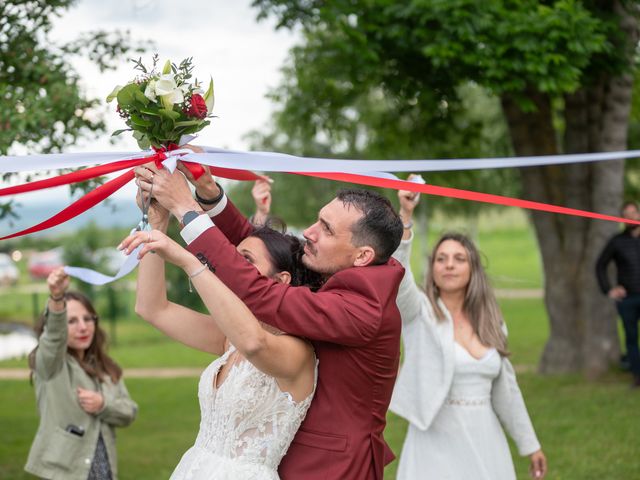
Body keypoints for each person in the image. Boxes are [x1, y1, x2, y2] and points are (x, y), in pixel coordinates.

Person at [132, 158, 405, 480]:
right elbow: (265, 245)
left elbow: (259, 290)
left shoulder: (362, 308)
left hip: (330, 467)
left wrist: (185, 209)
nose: (308, 232)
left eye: (326, 229)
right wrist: (208, 193)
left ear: (362, 256)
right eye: (318, 220)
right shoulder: (342, 272)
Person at [121, 193, 321, 479]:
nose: (231, 268)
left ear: (281, 280)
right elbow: (152, 308)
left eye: (245, 260)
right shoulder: (227, 339)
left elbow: (254, 344)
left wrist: (189, 262)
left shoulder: (298, 352)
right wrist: (157, 222)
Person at [389, 181, 547, 480]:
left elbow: (508, 391)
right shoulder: (418, 311)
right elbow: (398, 274)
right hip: (433, 443)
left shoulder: (491, 320)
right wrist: (405, 216)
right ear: (433, 268)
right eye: (441, 258)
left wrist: (530, 444)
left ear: (473, 268)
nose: (449, 265)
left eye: (459, 259)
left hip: (486, 441)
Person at [25, 268, 137, 480]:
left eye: (88, 318)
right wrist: (57, 298)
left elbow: (129, 412)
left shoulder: (106, 366)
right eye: (72, 321)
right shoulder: (50, 364)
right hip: (65, 472)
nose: (83, 327)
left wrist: (103, 404)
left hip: (104, 469)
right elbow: (54, 339)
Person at [596, 200, 640, 388]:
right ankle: (637, 376)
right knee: (631, 338)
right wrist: (609, 289)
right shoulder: (617, 242)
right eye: (626, 215)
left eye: (633, 213)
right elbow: (600, 266)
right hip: (628, 299)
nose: (630, 218)